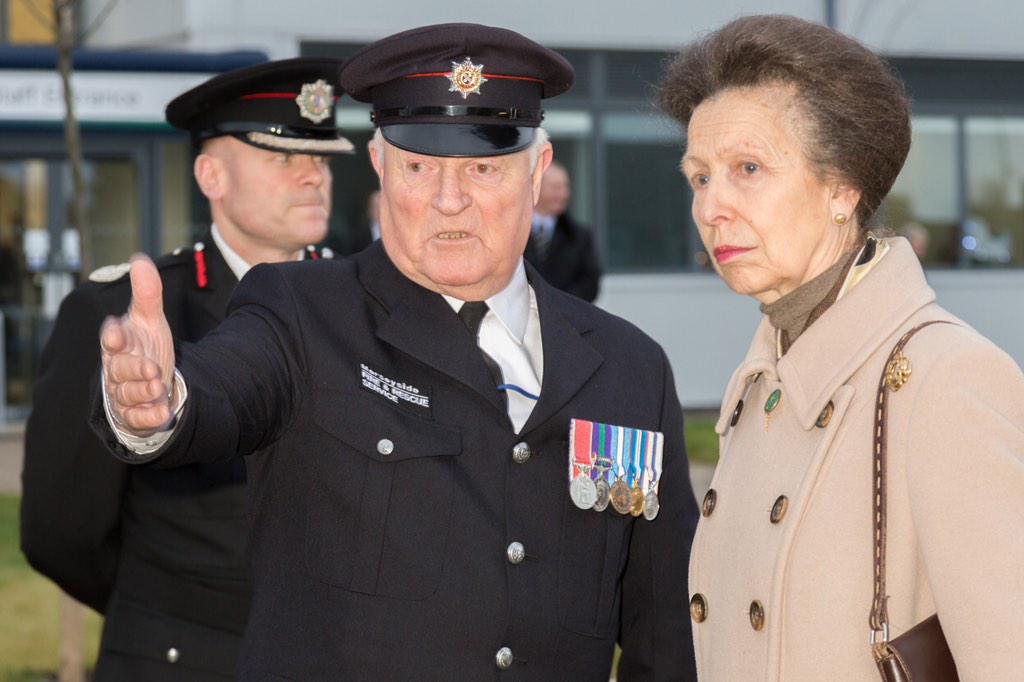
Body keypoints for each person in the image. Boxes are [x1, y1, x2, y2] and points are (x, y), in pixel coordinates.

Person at [91, 23, 699, 681]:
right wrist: (160, 402)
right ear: (380, 167)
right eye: (419, 166)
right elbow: (227, 386)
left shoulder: (629, 369)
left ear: (537, 171)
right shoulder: (302, 313)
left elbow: (666, 631)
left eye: (483, 168)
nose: (449, 201)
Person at [659, 15, 1024, 681]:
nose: (710, 208)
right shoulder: (760, 383)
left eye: (747, 169)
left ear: (842, 189)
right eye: (700, 177)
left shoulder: (945, 381)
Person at [20, 57, 353, 680]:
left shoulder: (364, 307)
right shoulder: (125, 314)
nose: (314, 176)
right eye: (285, 157)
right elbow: (60, 531)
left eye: (323, 158)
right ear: (211, 175)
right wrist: (164, 611)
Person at [526, 161, 602, 301]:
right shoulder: (512, 235)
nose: (563, 194)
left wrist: (559, 304)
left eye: (565, 187)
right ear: (536, 186)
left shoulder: (580, 237)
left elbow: (589, 284)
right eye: (556, 187)